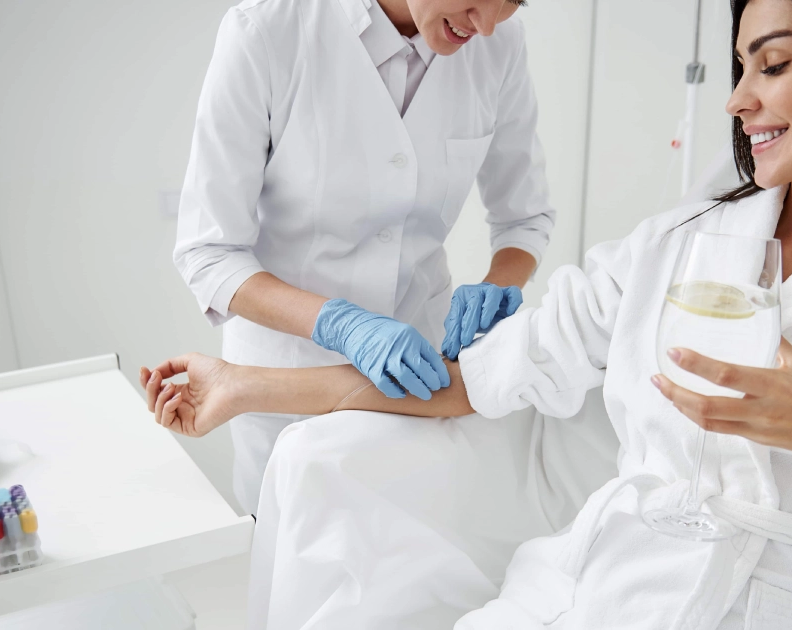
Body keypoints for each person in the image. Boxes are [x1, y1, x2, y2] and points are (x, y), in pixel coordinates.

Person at [145, 0, 792, 627]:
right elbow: (479, 379)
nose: (738, 98)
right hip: (600, 582)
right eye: (741, 64)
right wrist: (247, 381)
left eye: (775, 63)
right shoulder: (681, 244)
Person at [171, 0, 554, 515]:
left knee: (411, 559)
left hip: (418, 378)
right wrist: (341, 324)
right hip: (283, 383)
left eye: (511, 3)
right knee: (294, 569)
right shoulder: (266, 32)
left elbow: (524, 219)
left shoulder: (498, 48)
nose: (484, 25)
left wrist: (500, 283)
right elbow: (209, 252)